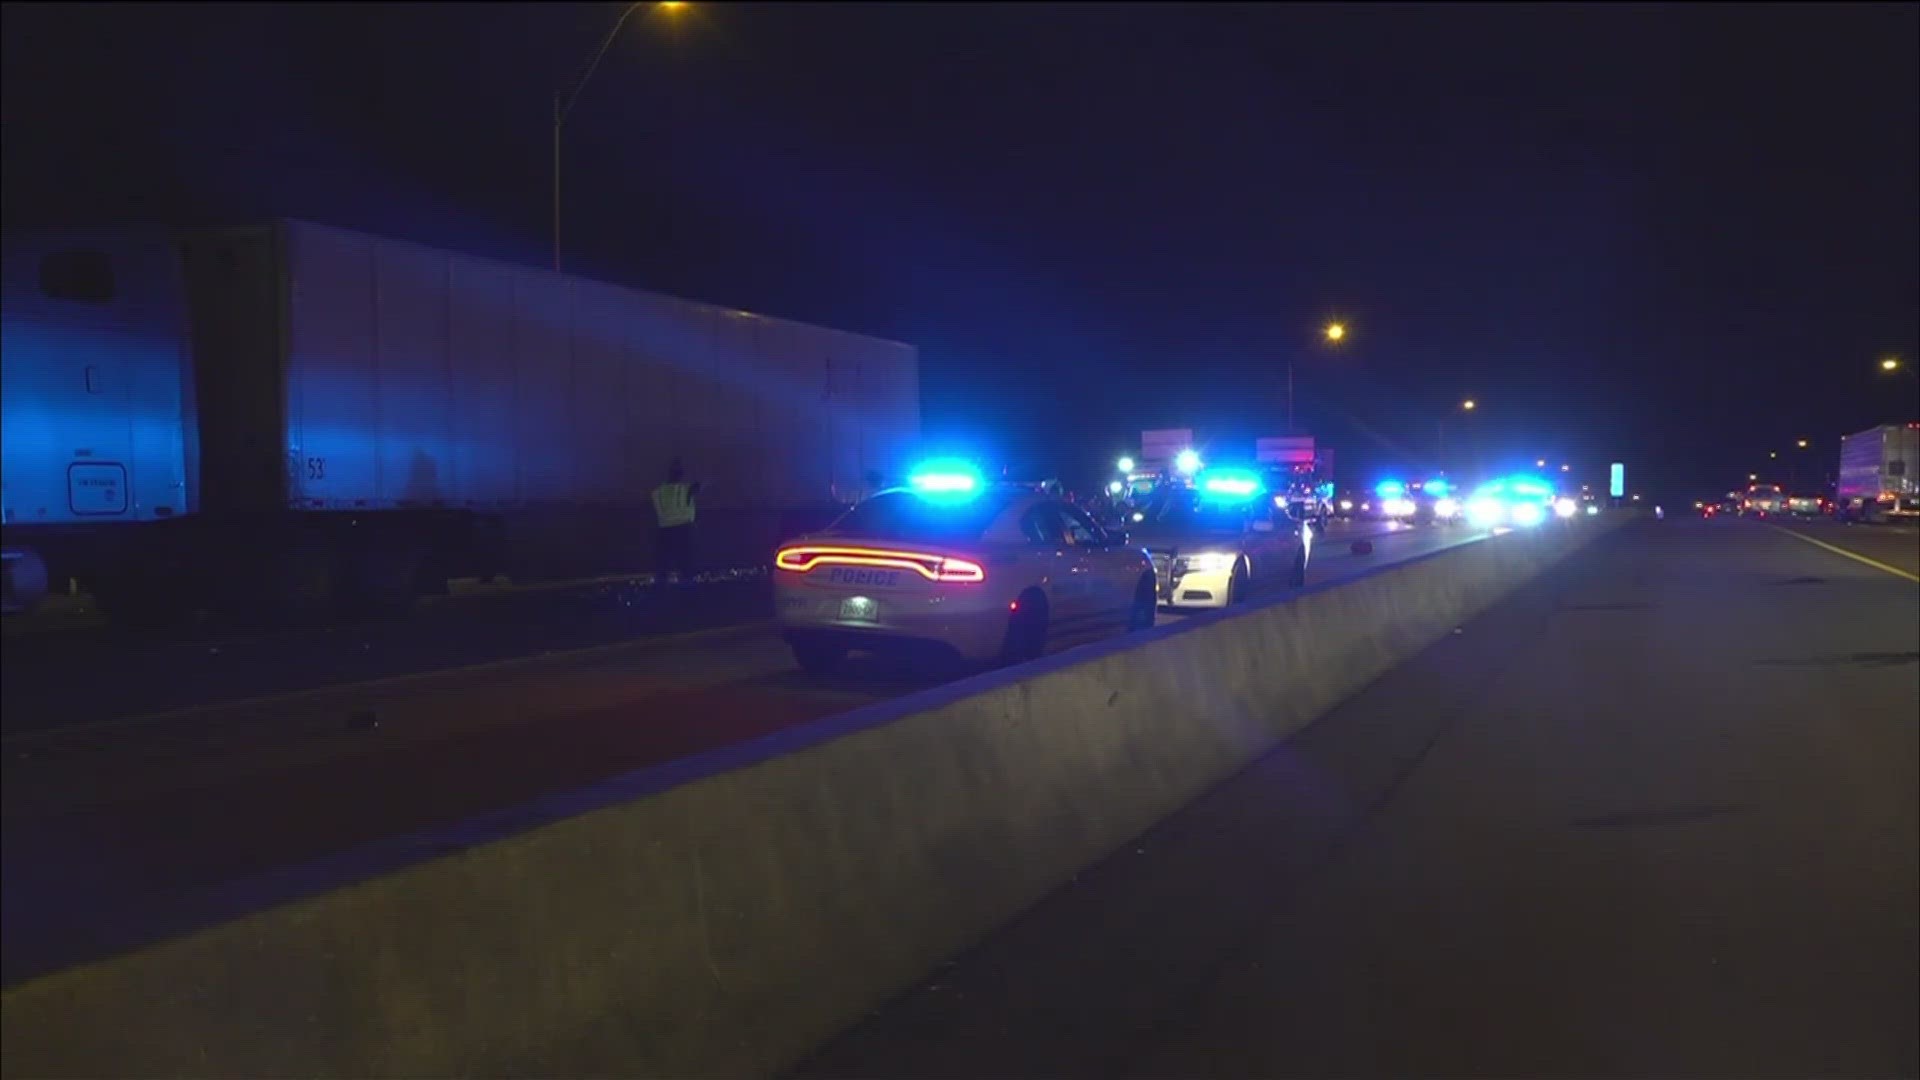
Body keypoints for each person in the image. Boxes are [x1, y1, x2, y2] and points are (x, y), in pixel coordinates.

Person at [651, 459, 701, 583]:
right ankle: (687, 595)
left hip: (664, 532)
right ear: (681, 474)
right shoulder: (686, 489)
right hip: (683, 531)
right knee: (686, 566)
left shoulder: (657, 492)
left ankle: (660, 594)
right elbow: (697, 488)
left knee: (662, 568)